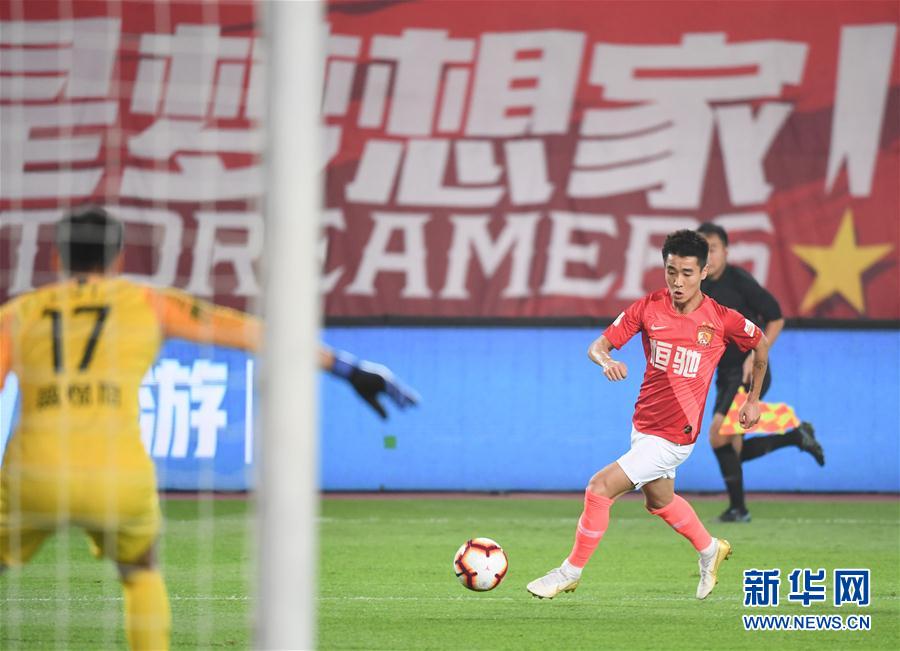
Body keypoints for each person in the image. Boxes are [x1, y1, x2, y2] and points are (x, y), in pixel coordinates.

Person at [0, 206, 417, 650]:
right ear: (118, 259)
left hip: (34, 471)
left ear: (55, 258)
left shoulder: (17, 314)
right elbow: (250, 331)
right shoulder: (147, 302)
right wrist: (348, 369)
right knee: (140, 570)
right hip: (117, 472)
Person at [527, 230, 769, 601]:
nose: (678, 281)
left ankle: (569, 572)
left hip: (675, 436)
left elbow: (760, 342)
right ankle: (710, 550)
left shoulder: (721, 319)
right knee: (660, 501)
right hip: (644, 426)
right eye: (671, 271)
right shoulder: (648, 308)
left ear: (704, 272)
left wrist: (753, 399)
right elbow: (598, 346)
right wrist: (606, 361)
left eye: (687, 273)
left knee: (599, 488)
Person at [697, 222, 824, 523]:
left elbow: (776, 318)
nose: (708, 256)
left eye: (713, 249)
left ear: (726, 251)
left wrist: (756, 353)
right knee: (732, 447)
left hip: (749, 372)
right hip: (724, 373)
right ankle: (794, 438)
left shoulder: (739, 281)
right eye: (703, 250)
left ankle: (739, 507)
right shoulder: (699, 287)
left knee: (717, 435)